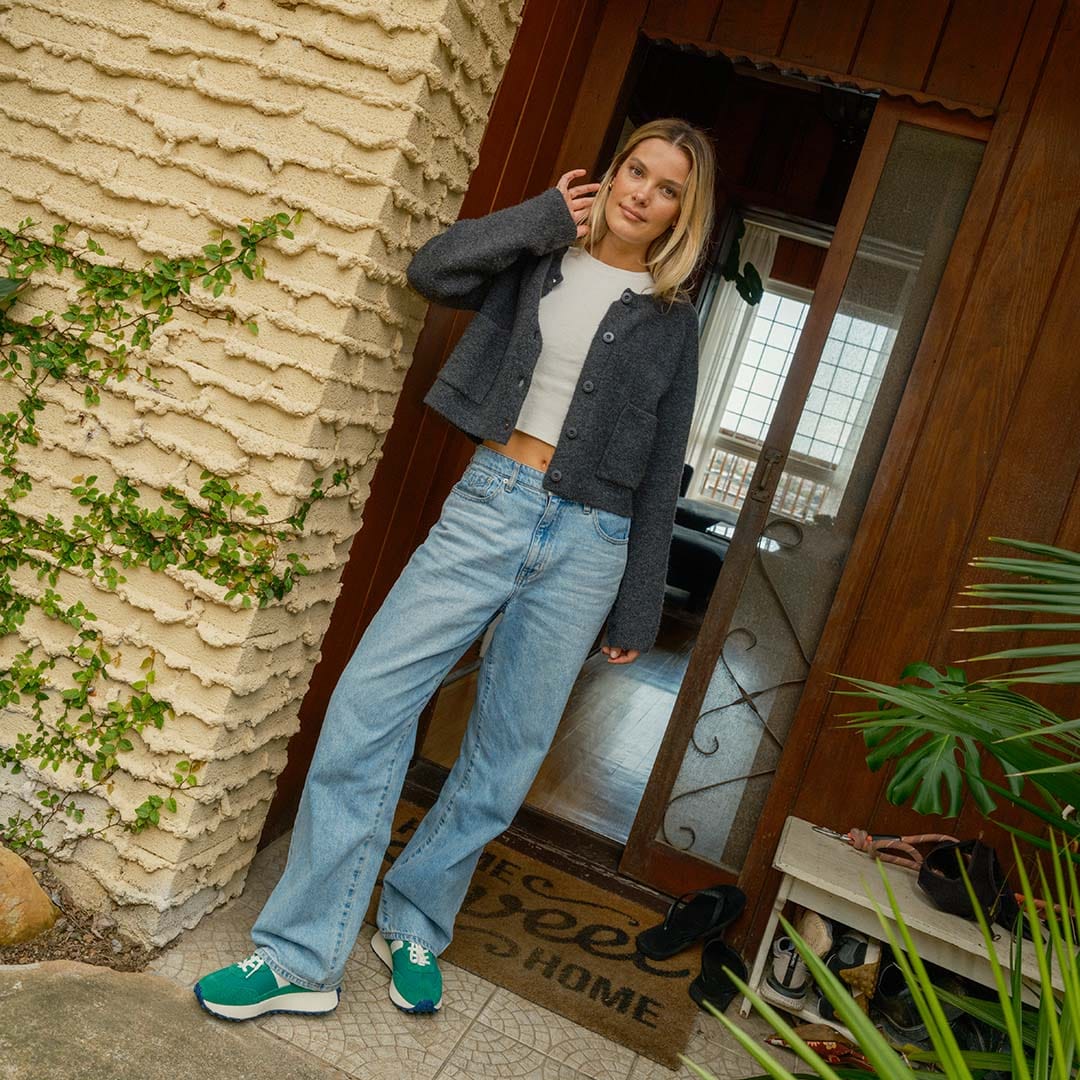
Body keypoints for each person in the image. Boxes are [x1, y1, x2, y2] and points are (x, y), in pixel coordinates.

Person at [192, 116, 717, 1022]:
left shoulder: (673, 323)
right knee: (366, 709)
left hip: (590, 545)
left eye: (668, 187)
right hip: (491, 505)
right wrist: (543, 215)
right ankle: (301, 956)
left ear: (682, 212)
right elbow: (433, 270)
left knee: (504, 756)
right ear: (612, 170)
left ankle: (415, 921)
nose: (643, 193)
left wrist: (638, 608)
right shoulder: (541, 252)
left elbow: (664, 467)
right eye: (636, 170)